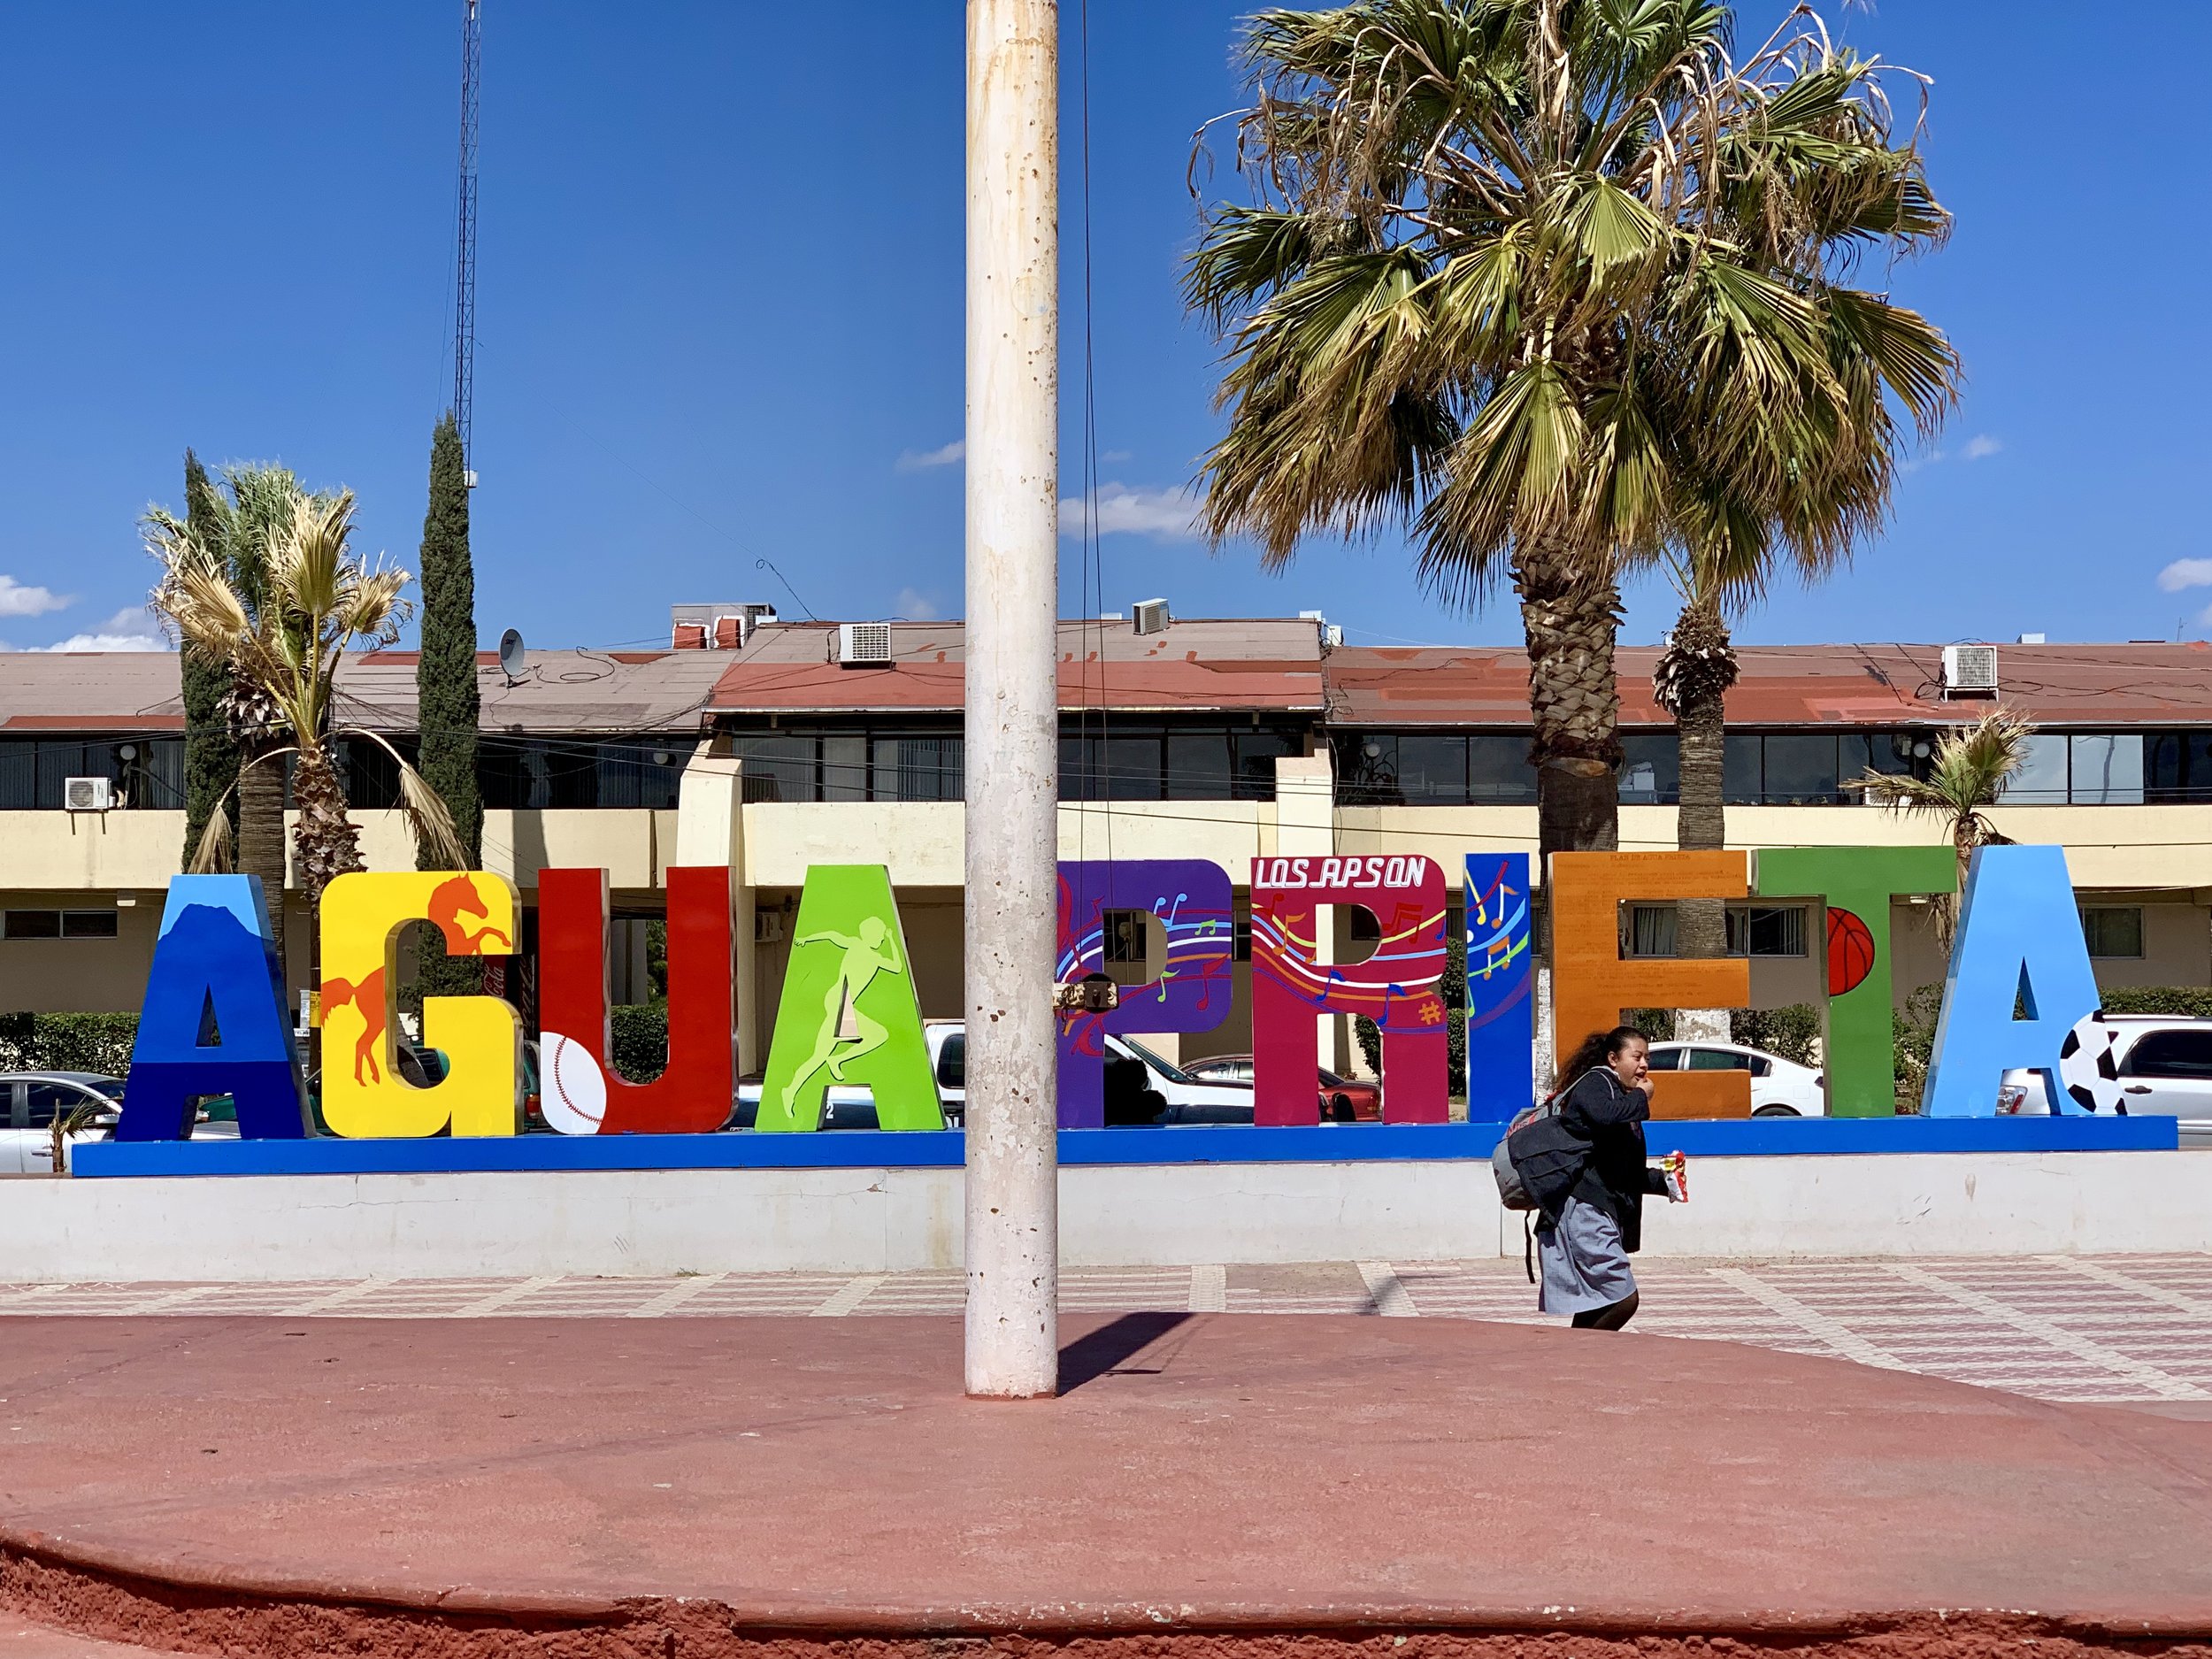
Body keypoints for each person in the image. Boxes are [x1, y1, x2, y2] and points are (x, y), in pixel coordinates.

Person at [1536, 1025, 1685, 1332]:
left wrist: (1665, 1180)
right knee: (1623, 1298)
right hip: (1583, 1209)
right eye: (1637, 1057)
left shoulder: (1619, 1098)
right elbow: (1605, 1114)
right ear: (1613, 1059)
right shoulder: (1595, 1083)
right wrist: (1642, 1096)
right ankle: (1578, 1354)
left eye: (1647, 1058)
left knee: (1603, 1300)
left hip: (1599, 1210)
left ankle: (1578, 1355)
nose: (1644, 1065)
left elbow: (1623, 1172)